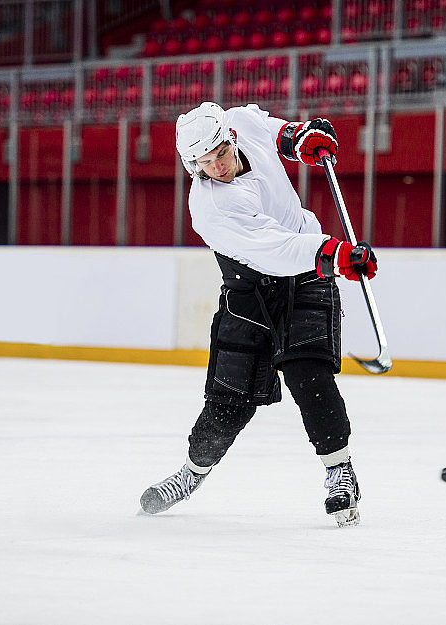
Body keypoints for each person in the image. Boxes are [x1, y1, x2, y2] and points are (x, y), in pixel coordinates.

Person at [139, 102, 377, 527]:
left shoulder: (242, 123)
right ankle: (192, 472)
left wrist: (301, 138)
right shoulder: (211, 208)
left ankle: (339, 471)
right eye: (205, 163)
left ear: (230, 138)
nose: (218, 167)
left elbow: (272, 131)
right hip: (251, 289)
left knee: (308, 372)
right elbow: (275, 250)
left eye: (221, 154)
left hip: (305, 273)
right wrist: (335, 254)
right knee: (230, 399)